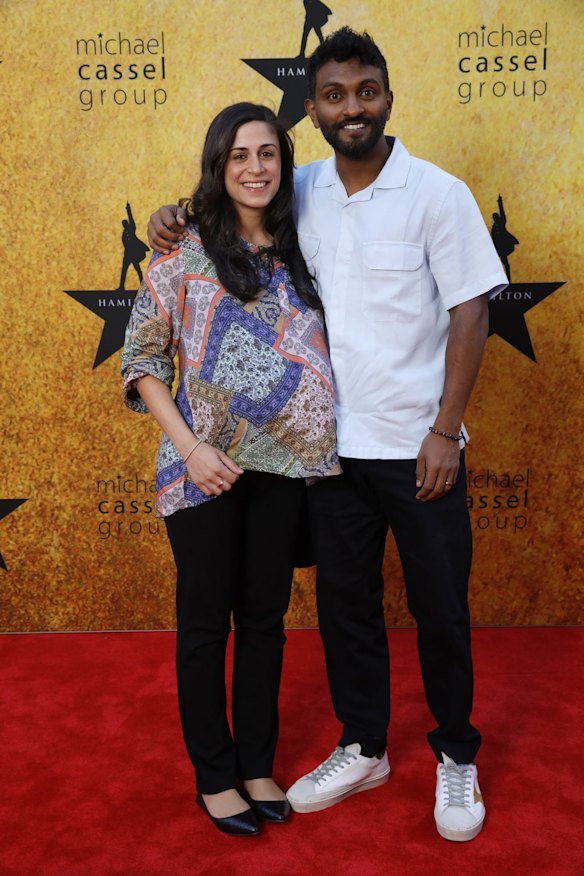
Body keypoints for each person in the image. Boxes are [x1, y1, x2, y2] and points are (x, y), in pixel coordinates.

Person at [146, 28, 508, 843]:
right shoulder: (298, 188)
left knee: (442, 608)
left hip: (422, 447)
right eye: (336, 96)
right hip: (330, 457)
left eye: (367, 91)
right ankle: (364, 744)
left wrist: (447, 431)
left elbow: (472, 311)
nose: (354, 107)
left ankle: (455, 754)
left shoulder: (437, 193)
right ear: (313, 111)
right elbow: (226, 202)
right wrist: (173, 216)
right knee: (348, 610)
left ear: (388, 97)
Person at [121, 102, 340, 837]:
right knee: (206, 624)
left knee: (267, 622)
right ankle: (214, 776)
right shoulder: (182, 253)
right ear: (218, 165)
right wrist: (190, 447)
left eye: (269, 153)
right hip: (203, 468)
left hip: (285, 468)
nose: (256, 167)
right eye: (240, 154)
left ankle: (256, 763)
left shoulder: (303, 247)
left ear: (284, 164)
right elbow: (143, 360)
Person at [118, 201, 149, 290]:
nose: (125, 225)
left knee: (138, 270)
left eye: (126, 223)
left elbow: (131, 217)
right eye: (123, 224)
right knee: (124, 271)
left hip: (134, 253)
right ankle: (121, 287)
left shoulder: (132, 228)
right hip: (127, 254)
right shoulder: (124, 233)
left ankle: (142, 286)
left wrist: (128, 209)